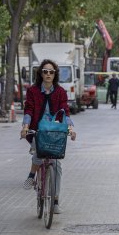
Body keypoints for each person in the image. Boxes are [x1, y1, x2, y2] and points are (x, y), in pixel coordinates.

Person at [20, 59, 77, 214]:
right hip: (37, 130)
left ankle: (55, 200)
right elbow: (29, 110)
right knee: (38, 150)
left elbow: (65, 111)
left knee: (57, 166)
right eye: (45, 71)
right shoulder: (33, 91)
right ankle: (32, 175)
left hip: (54, 132)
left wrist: (71, 128)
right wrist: (25, 127)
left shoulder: (60, 92)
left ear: (55, 74)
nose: (48, 74)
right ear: (41, 73)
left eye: (51, 72)